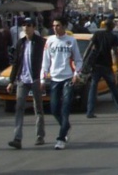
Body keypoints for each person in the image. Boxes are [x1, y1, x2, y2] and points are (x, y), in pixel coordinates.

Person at [40, 17, 82, 150]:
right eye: (54, 25)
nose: (55, 28)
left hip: (68, 78)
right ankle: (66, 126)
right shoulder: (50, 41)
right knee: (53, 108)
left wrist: (76, 74)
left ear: (64, 26)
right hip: (54, 78)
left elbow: (78, 60)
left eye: (58, 25)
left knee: (65, 108)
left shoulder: (71, 41)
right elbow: (45, 61)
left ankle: (61, 138)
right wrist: (42, 78)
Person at [7, 18, 46, 150]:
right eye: (23, 25)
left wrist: (43, 78)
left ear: (34, 27)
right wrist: (11, 81)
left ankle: (40, 135)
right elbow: (16, 63)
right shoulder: (21, 43)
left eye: (28, 25)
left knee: (38, 107)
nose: (26, 27)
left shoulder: (41, 42)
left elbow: (46, 61)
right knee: (19, 107)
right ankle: (17, 138)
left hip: (36, 79)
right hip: (22, 80)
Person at [86, 20, 118, 118]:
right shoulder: (113, 37)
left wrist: (86, 62)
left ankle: (90, 112)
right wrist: (117, 68)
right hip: (106, 65)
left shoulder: (97, 34)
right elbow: (115, 52)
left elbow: (90, 47)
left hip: (96, 65)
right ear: (112, 27)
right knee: (113, 88)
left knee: (93, 89)